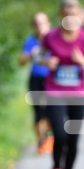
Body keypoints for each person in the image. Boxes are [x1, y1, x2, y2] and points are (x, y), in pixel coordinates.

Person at [42, 0, 84, 169]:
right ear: (60, 15)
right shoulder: (50, 36)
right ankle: (56, 168)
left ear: (79, 15)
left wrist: (82, 61)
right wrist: (46, 63)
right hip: (55, 91)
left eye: (73, 15)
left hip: (79, 93)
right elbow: (39, 56)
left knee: (73, 138)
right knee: (60, 134)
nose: (70, 19)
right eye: (66, 15)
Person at [19, 12, 53, 155]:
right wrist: (30, 54)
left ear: (48, 23)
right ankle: (42, 142)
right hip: (36, 79)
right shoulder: (30, 40)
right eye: (37, 23)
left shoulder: (54, 39)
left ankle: (50, 137)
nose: (40, 26)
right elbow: (21, 62)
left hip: (52, 79)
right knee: (38, 111)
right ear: (33, 26)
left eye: (42, 23)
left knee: (52, 111)